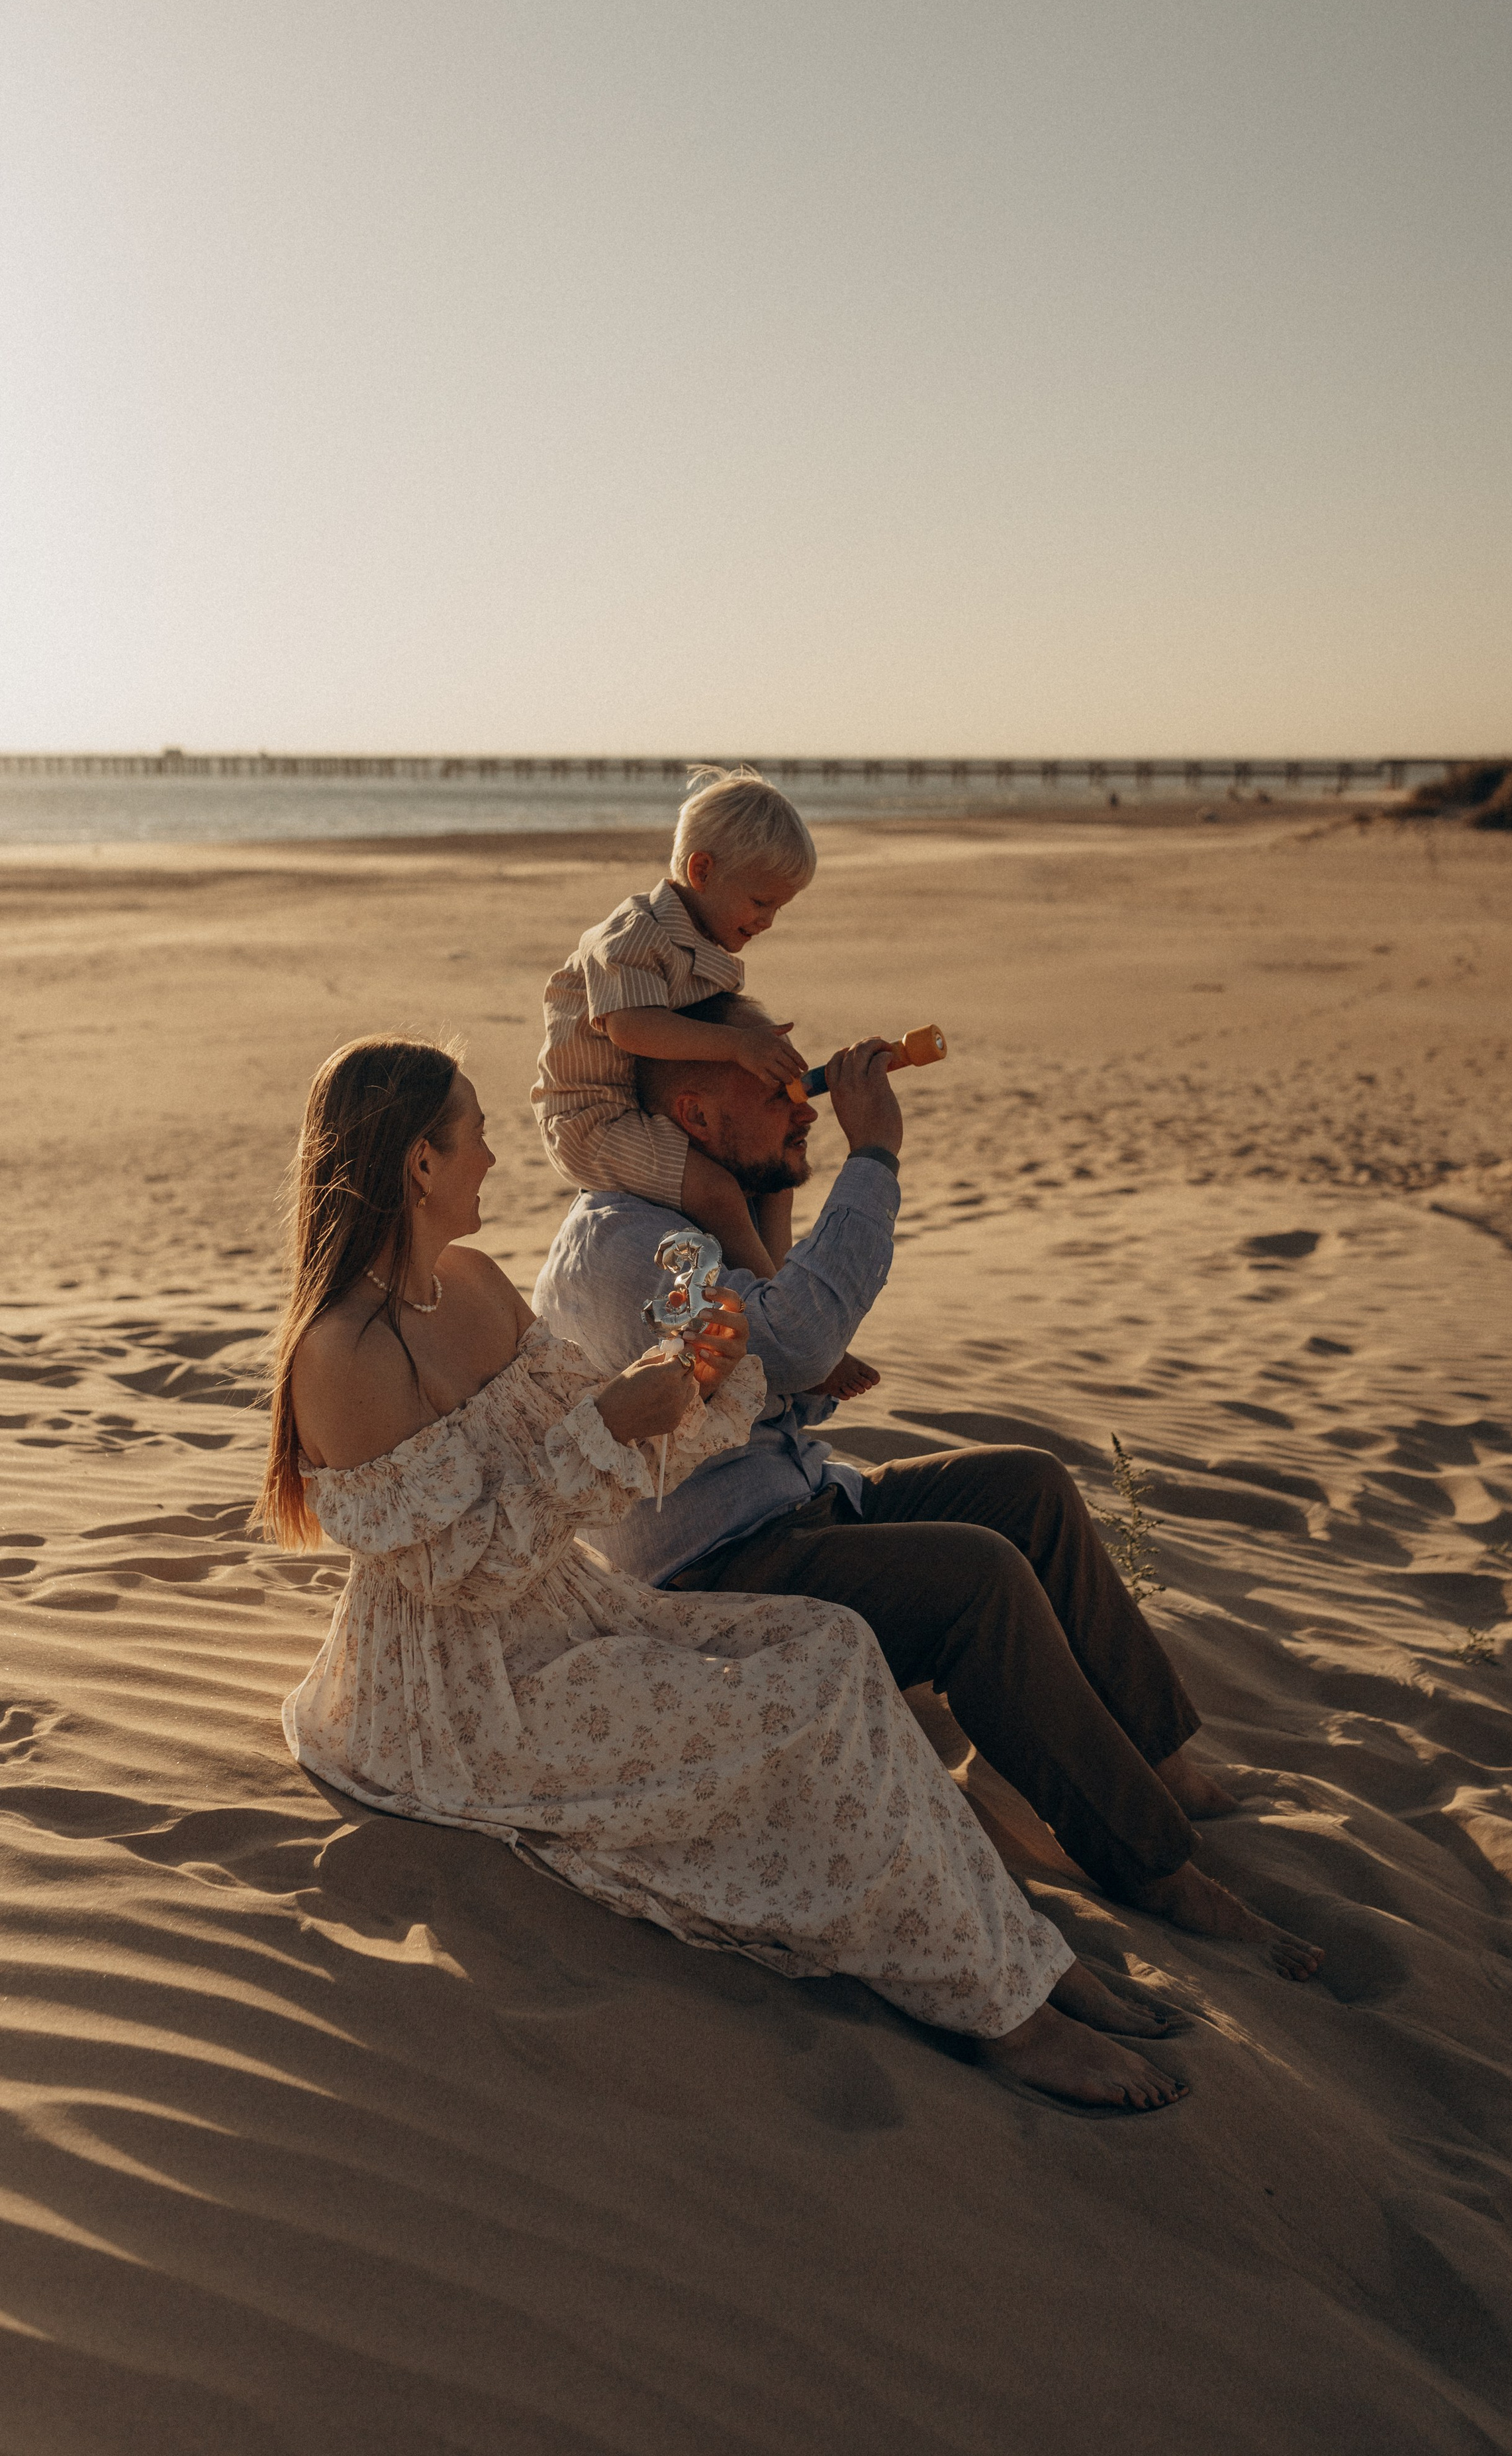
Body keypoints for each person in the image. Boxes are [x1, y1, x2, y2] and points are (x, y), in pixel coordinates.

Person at [264, 1033, 1190, 2112]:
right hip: (464, 1694)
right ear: (420, 1164)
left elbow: (595, 1440)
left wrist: (693, 1379)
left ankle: (1015, 1951)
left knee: (833, 1646)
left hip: (566, 1609)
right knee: (793, 1707)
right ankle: (1008, 2013)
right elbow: (454, 1570)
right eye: (473, 1137)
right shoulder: (338, 1354)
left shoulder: (471, 1279)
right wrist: (608, 1424)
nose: (495, 1161)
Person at [534, 996, 1324, 1981]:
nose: (807, 1103)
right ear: (694, 1116)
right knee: (976, 1578)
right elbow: (797, 1347)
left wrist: (780, 1187)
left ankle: (1158, 1761)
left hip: (798, 1507)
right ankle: (1152, 1864)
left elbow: (780, 1399)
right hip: (715, 1572)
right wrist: (873, 1160)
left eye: (803, 1082)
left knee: (1026, 1490)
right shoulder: (635, 1245)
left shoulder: (699, 1216)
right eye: (775, 1087)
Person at [531, 763, 815, 1280]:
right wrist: (736, 1045)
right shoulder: (632, 935)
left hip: (654, 1103)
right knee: (716, 1191)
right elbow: (632, 1028)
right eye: (760, 901)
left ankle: (781, 1287)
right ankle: (769, 1305)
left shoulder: (709, 947)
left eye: (780, 908)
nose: (768, 920)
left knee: (776, 1180)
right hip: (594, 1121)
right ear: (702, 871)